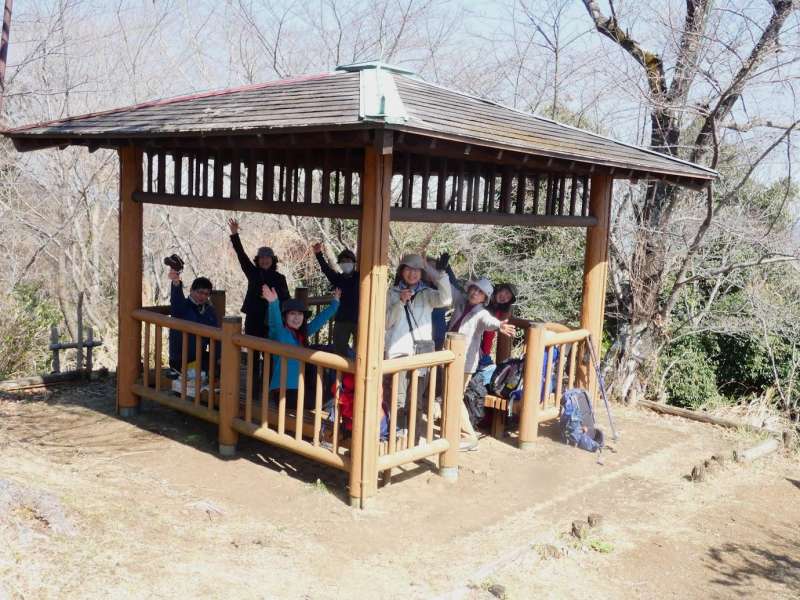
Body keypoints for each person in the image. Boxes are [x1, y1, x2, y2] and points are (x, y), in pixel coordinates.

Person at [385, 253, 452, 431]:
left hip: (421, 353)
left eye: (417, 270)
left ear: (422, 273)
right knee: (398, 398)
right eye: (408, 269)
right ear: (401, 271)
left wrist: (436, 272)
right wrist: (400, 302)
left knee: (416, 400)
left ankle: (412, 438)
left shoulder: (427, 293)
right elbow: (386, 322)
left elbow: (446, 299)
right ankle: (396, 436)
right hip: (398, 352)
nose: (412, 273)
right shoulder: (392, 293)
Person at [448, 276, 516, 450]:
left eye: (480, 292)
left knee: (454, 398)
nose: (475, 293)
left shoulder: (481, 312)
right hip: (451, 358)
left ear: (485, 298)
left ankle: (469, 437)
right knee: (452, 397)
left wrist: (499, 326)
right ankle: (456, 432)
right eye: (474, 289)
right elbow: (449, 287)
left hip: (465, 362)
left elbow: (489, 321)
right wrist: (433, 269)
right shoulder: (462, 302)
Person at [262, 284, 340, 410]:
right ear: (285, 317)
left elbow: (318, 321)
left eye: (300, 314)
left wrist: (335, 304)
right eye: (292, 314)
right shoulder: (280, 334)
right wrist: (273, 303)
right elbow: (274, 323)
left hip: (300, 389)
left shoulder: (300, 335)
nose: (297, 318)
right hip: (284, 393)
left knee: (330, 395)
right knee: (327, 399)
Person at [227, 218, 290, 337]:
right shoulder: (253, 273)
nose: (265, 260)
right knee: (252, 346)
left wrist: (273, 299)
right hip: (253, 318)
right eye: (262, 258)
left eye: (268, 257)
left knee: (271, 346)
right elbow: (241, 254)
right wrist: (234, 234)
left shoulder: (280, 278)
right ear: (257, 260)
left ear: (273, 260)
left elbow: (286, 299)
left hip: (273, 319)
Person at [167, 267, 219, 373]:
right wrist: (176, 282)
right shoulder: (183, 306)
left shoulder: (209, 311)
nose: (202, 296)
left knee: (222, 363)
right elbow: (176, 301)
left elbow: (216, 335)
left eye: (206, 294)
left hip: (199, 356)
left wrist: (219, 357)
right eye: (200, 292)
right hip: (180, 359)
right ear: (191, 290)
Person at [311, 242, 359, 356]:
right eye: (343, 262)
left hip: (359, 320)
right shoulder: (338, 279)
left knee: (362, 351)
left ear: (353, 263)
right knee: (339, 351)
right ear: (340, 264)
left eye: (348, 261)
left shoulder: (361, 278)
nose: (346, 264)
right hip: (342, 320)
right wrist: (318, 254)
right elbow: (326, 269)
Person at [480, 282, 517, 363]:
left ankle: (484, 357)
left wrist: (485, 353)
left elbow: (490, 333)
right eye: (506, 292)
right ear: (500, 288)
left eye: (508, 297)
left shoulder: (499, 309)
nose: (505, 297)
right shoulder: (485, 294)